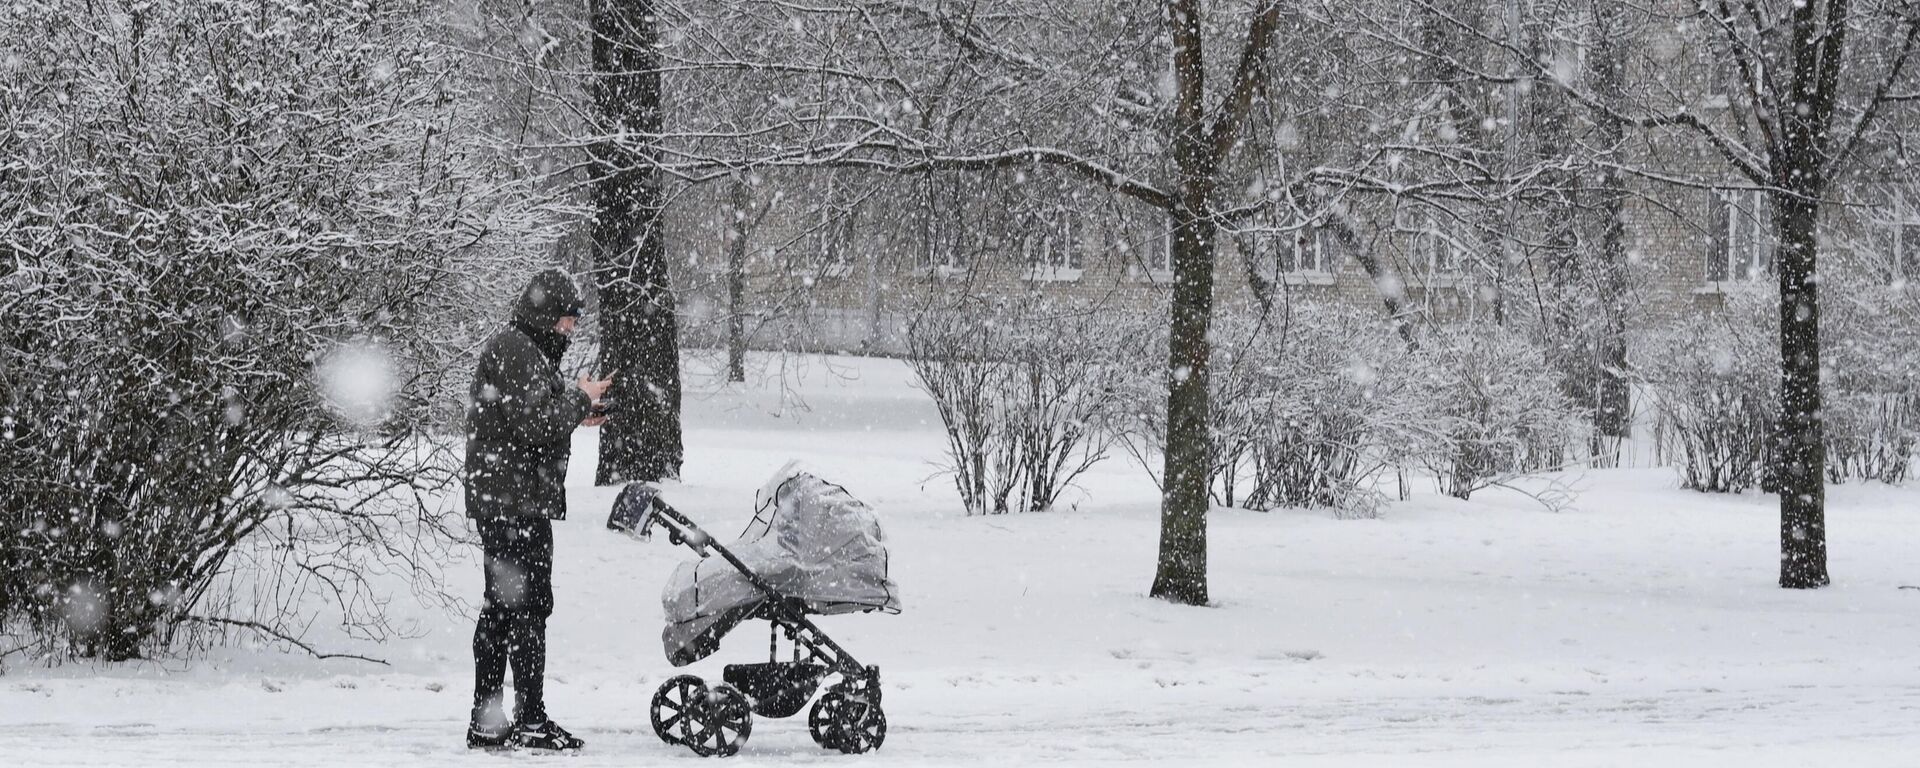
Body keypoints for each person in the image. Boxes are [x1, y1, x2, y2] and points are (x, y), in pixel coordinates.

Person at [463, 268, 611, 751]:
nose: (571, 329)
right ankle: (524, 721)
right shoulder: (516, 348)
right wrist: (578, 399)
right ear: (546, 315)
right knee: (523, 609)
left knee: (508, 608)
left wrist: (577, 409)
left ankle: (494, 720)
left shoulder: (525, 349)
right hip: (513, 503)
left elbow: (532, 417)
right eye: (567, 320)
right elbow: (534, 424)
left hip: (511, 498)